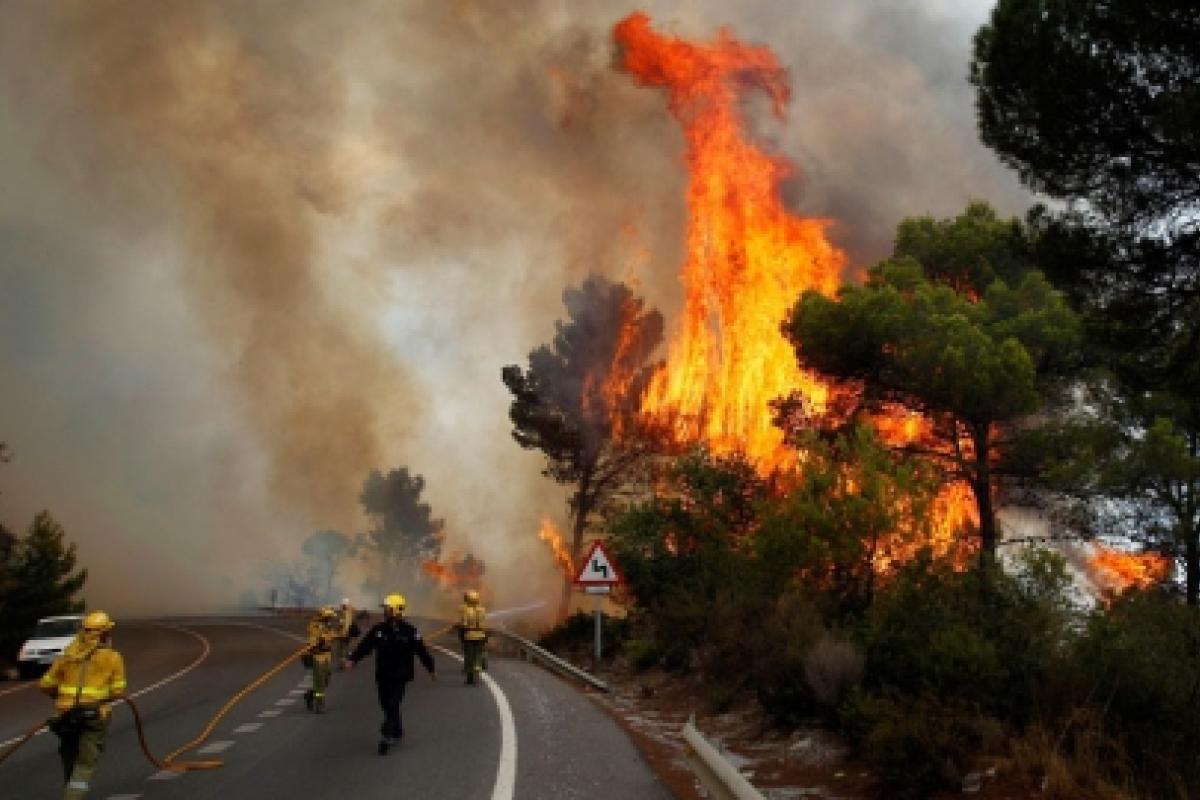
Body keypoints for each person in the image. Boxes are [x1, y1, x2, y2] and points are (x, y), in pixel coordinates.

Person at [39, 610, 126, 800]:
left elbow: (45, 684)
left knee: (69, 754)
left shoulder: (68, 656)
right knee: (86, 762)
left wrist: (61, 697)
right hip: (94, 716)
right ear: (103, 634)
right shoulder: (112, 657)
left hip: (65, 716)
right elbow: (118, 691)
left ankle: (71, 791)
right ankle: (73, 796)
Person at [344, 593, 436, 754]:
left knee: (393, 703)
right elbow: (365, 646)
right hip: (383, 675)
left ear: (397, 610)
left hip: (401, 675)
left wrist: (431, 669)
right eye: (385, 609)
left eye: (388, 609)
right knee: (386, 704)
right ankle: (398, 730)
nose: (385, 611)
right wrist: (353, 659)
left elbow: (422, 651)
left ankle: (387, 734)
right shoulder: (379, 630)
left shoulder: (409, 632)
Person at [304, 606, 338, 713]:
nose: (330, 619)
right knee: (319, 682)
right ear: (323, 616)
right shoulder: (314, 626)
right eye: (328, 617)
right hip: (318, 656)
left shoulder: (327, 625)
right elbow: (313, 640)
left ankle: (310, 695)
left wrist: (335, 634)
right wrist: (319, 641)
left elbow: (332, 635)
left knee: (326, 680)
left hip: (327, 656)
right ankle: (320, 704)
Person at [456, 589, 488, 685]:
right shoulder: (482, 610)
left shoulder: (465, 610)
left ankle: (470, 678)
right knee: (478, 655)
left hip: (469, 637)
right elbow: (483, 624)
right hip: (481, 636)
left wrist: (459, 627)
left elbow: (464, 624)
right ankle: (477, 675)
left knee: (469, 656)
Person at [333, 597, 357, 669]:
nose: (343, 606)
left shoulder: (345, 612)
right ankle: (347, 661)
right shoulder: (350, 611)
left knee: (341, 649)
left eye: (344, 605)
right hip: (345, 633)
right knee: (345, 648)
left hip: (344, 634)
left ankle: (343, 663)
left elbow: (344, 623)